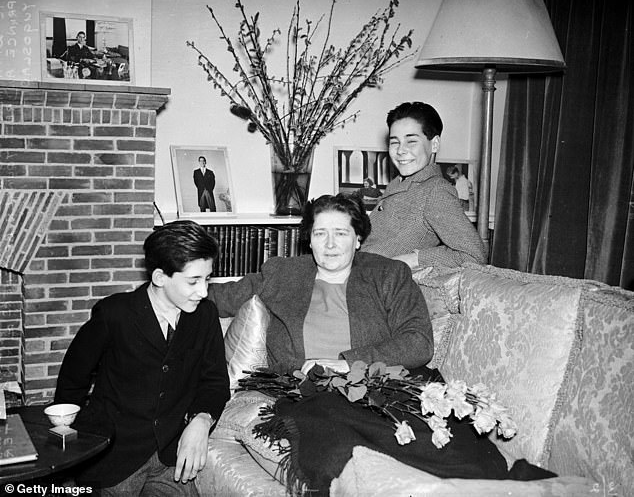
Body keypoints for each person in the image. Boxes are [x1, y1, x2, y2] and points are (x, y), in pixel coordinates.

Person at [54, 220, 230, 495]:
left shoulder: (205, 316)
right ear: (160, 277)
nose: (204, 291)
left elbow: (215, 381)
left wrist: (201, 419)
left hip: (170, 457)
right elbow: (73, 378)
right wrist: (67, 447)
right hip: (113, 457)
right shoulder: (114, 314)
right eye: (193, 281)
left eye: (207, 278)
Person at [208, 193, 433, 375]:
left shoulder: (388, 275)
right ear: (310, 239)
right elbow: (217, 297)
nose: (330, 244)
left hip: (370, 387)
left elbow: (418, 342)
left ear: (357, 240)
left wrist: (351, 363)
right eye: (320, 234)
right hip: (301, 392)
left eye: (341, 233)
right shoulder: (282, 274)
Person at [360, 101, 486, 268]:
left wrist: (411, 259)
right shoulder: (398, 185)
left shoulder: (435, 190)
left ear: (434, 144)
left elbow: (474, 255)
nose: (400, 150)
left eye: (411, 141)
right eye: (394, 142)